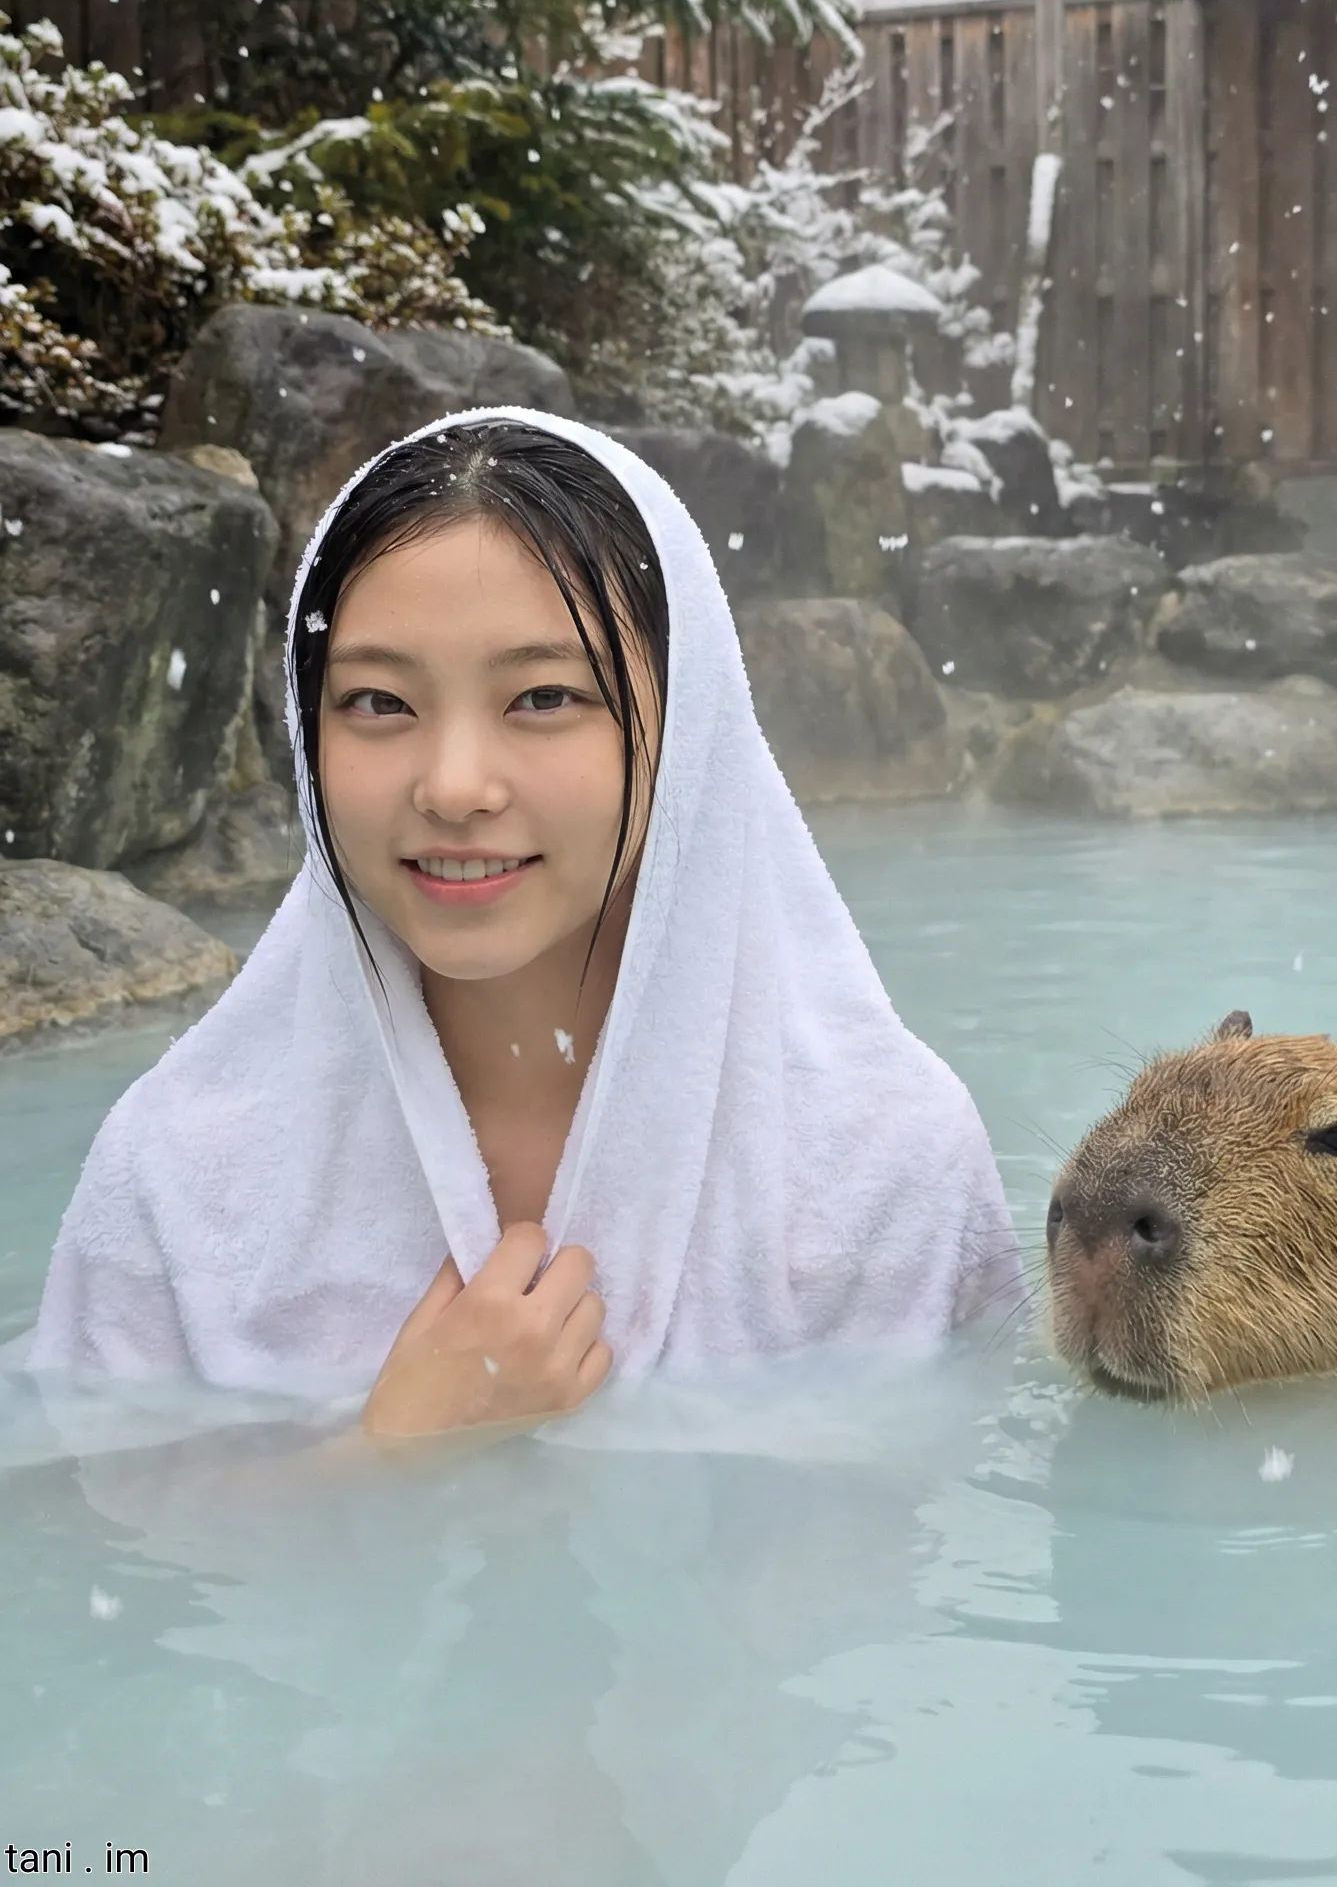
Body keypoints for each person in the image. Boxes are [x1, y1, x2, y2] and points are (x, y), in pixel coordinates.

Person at [29, 412, 1020, 1436]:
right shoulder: (179, 1177)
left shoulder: (883, 1164)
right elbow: (84, 1520)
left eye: (543, 697)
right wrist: (392, 1453)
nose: (454, 786)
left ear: (690, 724)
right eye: (378, 702)